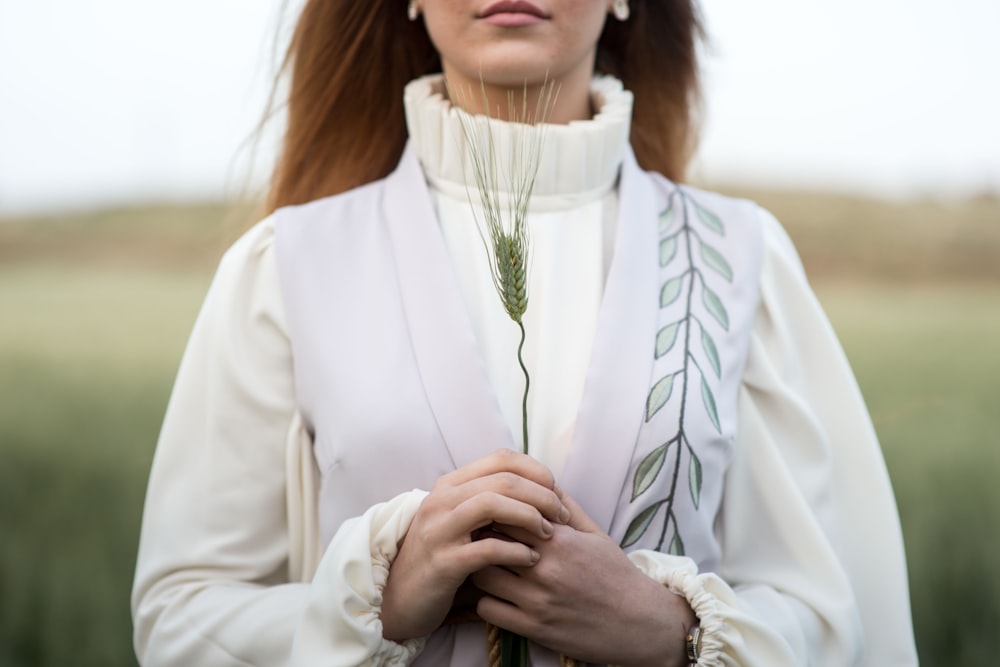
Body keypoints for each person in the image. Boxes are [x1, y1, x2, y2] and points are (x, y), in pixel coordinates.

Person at [130, 1, 919, 665]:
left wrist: (668, 630)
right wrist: (383, 599)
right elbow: (180, 615)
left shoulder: (741, 260)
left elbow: (841, 619)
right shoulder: (285, 265)